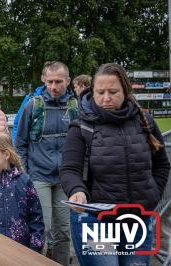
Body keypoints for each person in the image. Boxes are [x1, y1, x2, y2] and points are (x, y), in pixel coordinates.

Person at [60, 63, 170, 266]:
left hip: (138, 221)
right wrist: (76, 190)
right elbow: (69, 169)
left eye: (113, 91)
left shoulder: (145, 121)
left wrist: (152, 193)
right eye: (100, 92)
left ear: (125, 91)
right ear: (92, 92)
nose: (106, 98)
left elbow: (162, 165)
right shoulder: (81, 126)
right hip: (96, 222)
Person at [15, 61, 77, 265]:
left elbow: (83, 143)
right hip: (39, 176)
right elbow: (20, 144)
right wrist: (25, 174)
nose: (53, 86)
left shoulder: (75, 106)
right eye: (49, 81)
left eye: (58, 81)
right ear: (43, 80)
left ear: (68, 81)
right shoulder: (33, 105)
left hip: (65, 178)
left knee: (64, 231)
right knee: (41, 229)